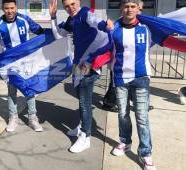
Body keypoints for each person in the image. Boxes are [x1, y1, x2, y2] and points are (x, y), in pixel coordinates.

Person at [49, 0, 111, 153]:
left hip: (89, 64)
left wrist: (106, 24)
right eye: (67, 6)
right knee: (80, 96)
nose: (70, 8)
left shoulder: (85, 14)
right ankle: (82, 126)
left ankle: (85, 136)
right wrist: (53, 17)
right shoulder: (72, 19)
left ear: (78, 2)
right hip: (79, 64)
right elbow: (58, 35)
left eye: (73, 4)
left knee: (84, 101)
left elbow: (96, 22)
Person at [110, 1, 156, 170]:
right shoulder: (114, 29)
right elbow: (102, 45)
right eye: (125, 6)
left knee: (142, 118)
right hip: (121, 77)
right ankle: (125, 142)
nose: (129, 9)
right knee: (123, 114)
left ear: (139, 8)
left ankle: (145, 153)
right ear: (121, 9)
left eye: (132, 6)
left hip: (141, 78)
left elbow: (167, 31)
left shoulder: (148, 27)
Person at [0, 0, 44, 132]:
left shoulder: (24, 19)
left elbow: (39, 31)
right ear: (2, 8)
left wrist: (53, 35)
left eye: (12, 8)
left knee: (29, 90)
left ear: (16, 7)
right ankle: (13, 118)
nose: (10, 11)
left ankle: (32, 118)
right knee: (12, 92)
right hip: (10, 64)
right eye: (7, 8)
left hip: (26, 63)